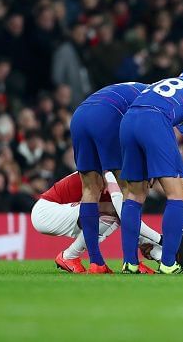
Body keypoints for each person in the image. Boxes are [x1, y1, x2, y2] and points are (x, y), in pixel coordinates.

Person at [119, 73, 183, 274]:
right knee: (177, 193)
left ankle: (130, 262)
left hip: (128, 121)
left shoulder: (161, 83)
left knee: (134, 195)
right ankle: (169, 263)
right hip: (155, 121)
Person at [69, 82, 148, 273]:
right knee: (130, 190)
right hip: (106, 116)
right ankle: (131, 262)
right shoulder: (156, 97)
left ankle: (96, 263)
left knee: (90, 188)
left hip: (79, 115)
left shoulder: (138, 87)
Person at [31, 171, 161, 274]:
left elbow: (128, 220)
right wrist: (160, 241)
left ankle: (70, 256)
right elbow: (124, 216)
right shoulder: (111, 174)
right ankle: (69, 256)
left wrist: (146, 243)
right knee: (113, 212)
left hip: (58, 211)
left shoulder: (119, 175)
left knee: (114, 214)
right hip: (46, 212)